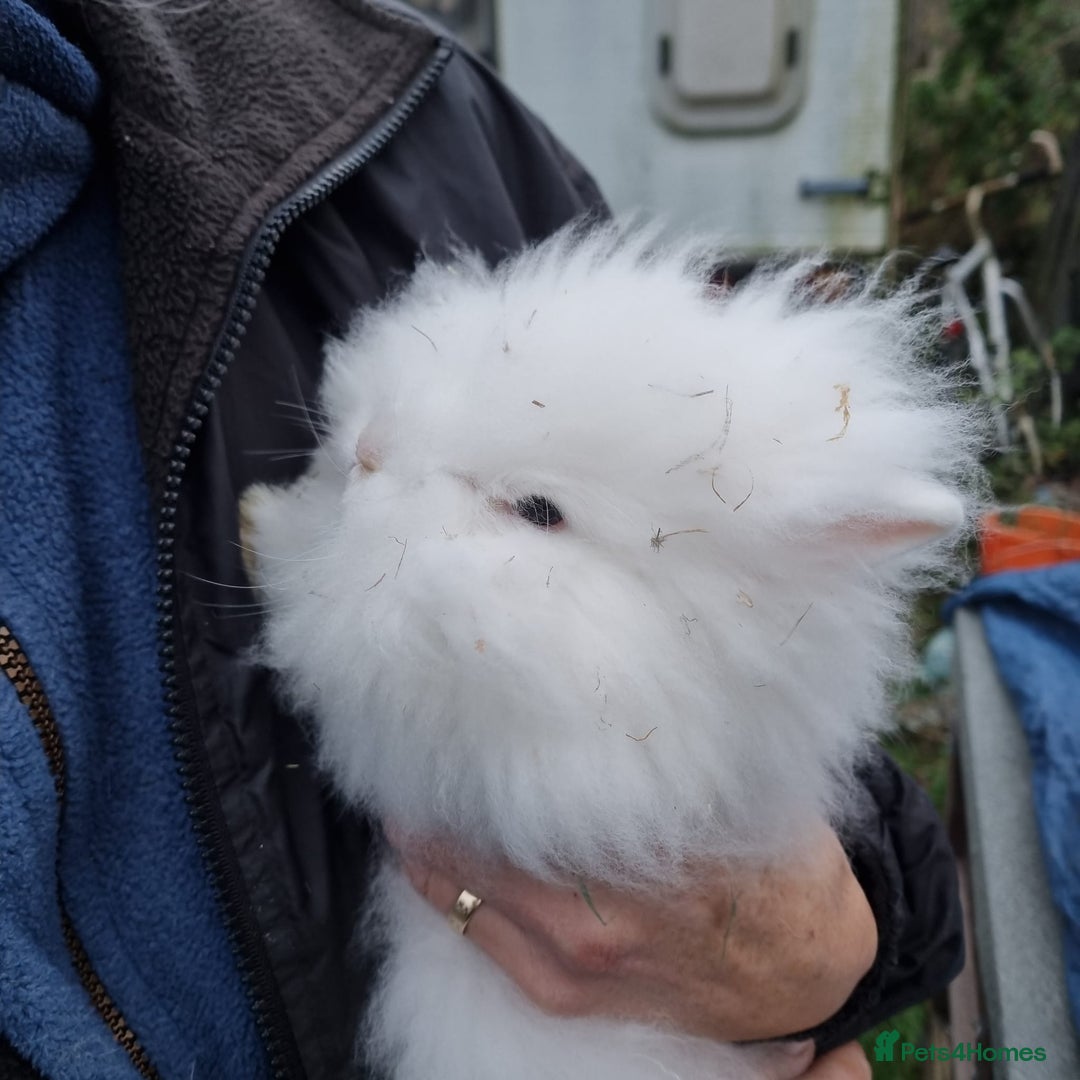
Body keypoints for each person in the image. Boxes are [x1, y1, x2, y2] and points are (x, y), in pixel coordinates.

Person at [0, 1, 963, 1077]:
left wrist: (836, 940)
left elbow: (884, 859)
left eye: (536, 510)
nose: (359, 445)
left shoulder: (386, 101)